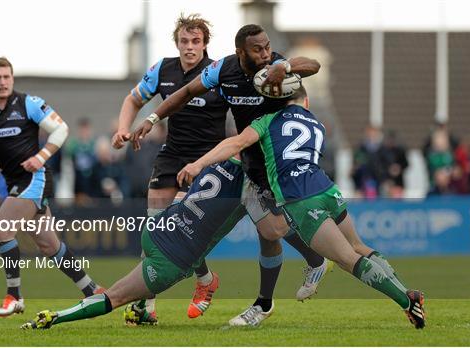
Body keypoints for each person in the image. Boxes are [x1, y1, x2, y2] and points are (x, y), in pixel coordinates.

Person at [177, 85, 426, 329]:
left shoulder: (268, 120)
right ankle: (406, 291)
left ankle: (406, 300)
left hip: (300, 198)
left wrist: (198, 164)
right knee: (358, 246)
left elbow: (237, 143)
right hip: (326, 188)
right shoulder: (317, 124)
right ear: (305, 102)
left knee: (346, 258)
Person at [131, 24, 329, 326]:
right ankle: (283, 280)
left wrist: (284, 66)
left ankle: (270, 294)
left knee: (271, 231)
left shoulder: (276, 65)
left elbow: (312, 65)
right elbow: (186, 92)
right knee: (264, 229)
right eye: (257, 49)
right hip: (244, 159)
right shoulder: (222, 70)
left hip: (276, 161)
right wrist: (153, 117)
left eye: (267, 47)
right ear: (240, 53)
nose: (264, 54)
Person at [21, 156, 287, 330]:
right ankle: (55, 317)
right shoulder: (252, 186)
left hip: (155, 229)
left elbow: (187, 192)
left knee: (192, 220)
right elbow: (272, 230)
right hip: (170, 259)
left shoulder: (219, 158)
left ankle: (155, 304)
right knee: (114, 297)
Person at [0, 57, 103, 317]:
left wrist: (41, 157)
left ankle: (14, 296)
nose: (2, 82)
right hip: (15, 182)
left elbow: (61, 129)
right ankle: (93, 290)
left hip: (35, 178)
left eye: (7, 76)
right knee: (50, 246)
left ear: (12, 78)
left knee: (2, 229)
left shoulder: (29, 103)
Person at [112, 14, 231, 320]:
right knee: (155, 226)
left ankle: (204, 281)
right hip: (173, 153)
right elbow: (133, 99)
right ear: (177, 44)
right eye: (184, 41)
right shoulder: (163, 70)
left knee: (183, 228)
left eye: (196, 42)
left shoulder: (218, 73)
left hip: (208, 159)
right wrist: (123, 129)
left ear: (205, 45)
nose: (189, 47)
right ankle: (146, 305)